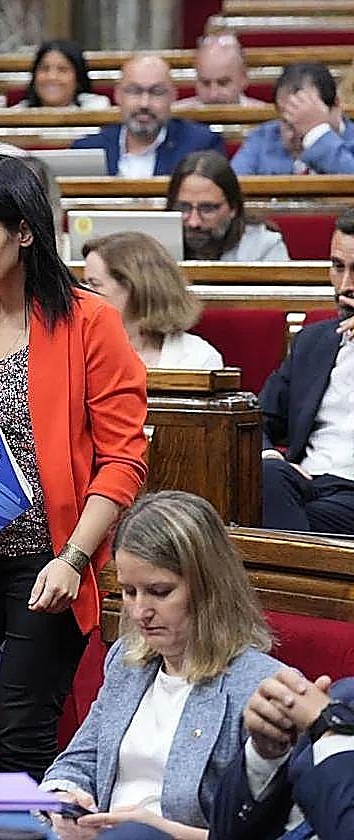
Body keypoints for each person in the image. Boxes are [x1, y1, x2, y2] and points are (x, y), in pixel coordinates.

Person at [0, 154, 148, 778]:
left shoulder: (91, 321)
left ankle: (21, 814)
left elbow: (123, 461)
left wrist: (74, 559)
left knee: (22, 733)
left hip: (50, 556)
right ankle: (5, 814)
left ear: (25, 232)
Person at [40, 491, 282, 840]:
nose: (140, 612)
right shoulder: (127, 660)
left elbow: (270, 832)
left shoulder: (262, 686)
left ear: (208, 588)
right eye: (129, 592)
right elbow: (79, 760)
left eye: (159, 592)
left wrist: (163, 831)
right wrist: (64, 798)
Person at [259, 209, 354, 534]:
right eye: (338, 267)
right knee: (268, 475)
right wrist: (271, 457)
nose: (346, 286)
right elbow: (258, 418)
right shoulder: (313, 341)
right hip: (307, 482)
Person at [209, 672, 354, 840]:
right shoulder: (344, 696)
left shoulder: (332, 716)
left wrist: (331, 730)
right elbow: (222, 834)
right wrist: (265, 756)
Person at [81, 232, 223, 369]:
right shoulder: (78, 349)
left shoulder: (198, 357)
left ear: (134, 287)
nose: (83, 294)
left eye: (94, 284)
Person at [72, 55, 224, 177]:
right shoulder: (87, 149)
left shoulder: (201, 145)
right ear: (118, 95)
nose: (144, 103)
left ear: (173, 96)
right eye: (134, 91)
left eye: (156, 92)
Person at [231, 62, 354, 176]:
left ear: (336, 105)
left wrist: (316, 134)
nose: (295, 134)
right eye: (287, 123)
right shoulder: (263, 138)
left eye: (308, 119)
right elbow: (232, 184)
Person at [166, 151, 289, 261]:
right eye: (183, 208)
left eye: (207, 209)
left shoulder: (264, 248)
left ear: (233, 208)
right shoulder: (158, 245)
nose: (194, 223)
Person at [14, 40, 111, 109]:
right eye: (44, 69)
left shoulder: (96, 107)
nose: (52, 77)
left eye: (62, 70)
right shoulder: (16, 114)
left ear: (78, 78)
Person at [176, 33, 265, 107]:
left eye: (223, 83)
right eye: (205, 83)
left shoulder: (265, 117)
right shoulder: (176, 117)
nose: (213, 95)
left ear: (243, 78)